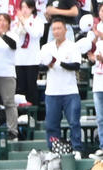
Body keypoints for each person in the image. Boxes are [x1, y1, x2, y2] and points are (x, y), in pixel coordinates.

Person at [40, 19, 83, 155]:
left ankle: (77, 149)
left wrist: (58, 62)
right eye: (54, 29)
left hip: (70, 90)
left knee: (74, 122)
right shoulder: (46, 47)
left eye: (59, 28)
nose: (56, 31)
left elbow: (76, 65)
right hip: (52, 91)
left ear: (65, 30)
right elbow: (40, 67)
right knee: (52, 125)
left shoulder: (73, 46)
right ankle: (54, 148)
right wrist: (48, 64)